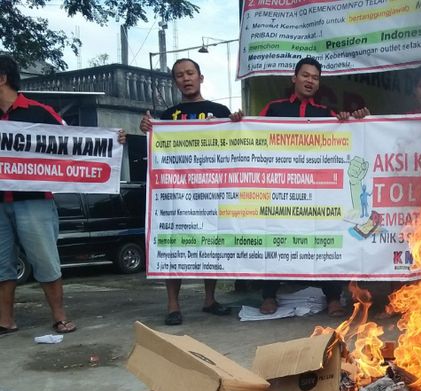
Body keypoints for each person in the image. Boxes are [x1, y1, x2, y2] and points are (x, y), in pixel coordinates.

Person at [0, 55, 125, 336]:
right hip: (0, 203)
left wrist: (111, 143)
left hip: (34, 202)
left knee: (45, 260)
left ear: (2, 78)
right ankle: (5, 321)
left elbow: (76, 143)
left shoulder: (39, 112)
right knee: (1, 265)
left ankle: (59, 317)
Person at [258, 57, 369, 317]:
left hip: (318, 191)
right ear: (294, 79)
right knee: (275, 237)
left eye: (315, 77)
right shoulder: (273, 109)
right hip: (281, 188)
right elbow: (251, 135)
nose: (310, 80)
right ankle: (268, 295)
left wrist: (354, 120)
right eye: (305, 75)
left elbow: (349, 138)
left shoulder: (327, 114)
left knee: (325, 238)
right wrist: (237, 120)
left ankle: (332, 297)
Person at [140, 58, 243, 325]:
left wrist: (237, 123)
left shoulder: (219, 110)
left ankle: (210, 299)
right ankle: (173, 305)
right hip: (178, 192)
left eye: (190, 73)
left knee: (211, 244)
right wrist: (148, 130)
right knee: (174, 245)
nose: (186, 79)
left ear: (201, 77)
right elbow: (156, 151)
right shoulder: (166, 116)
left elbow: (235, 146)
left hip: (212, 190)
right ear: (175, 81)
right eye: (179, 75)